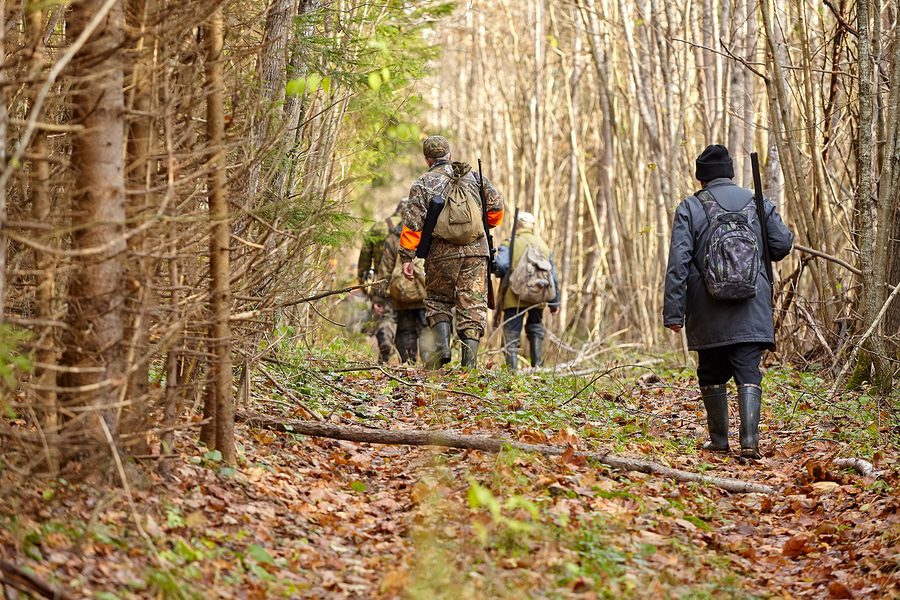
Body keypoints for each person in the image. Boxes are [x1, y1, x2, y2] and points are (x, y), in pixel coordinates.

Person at [663, 144, 793, 459]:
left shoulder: (690, 207)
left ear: (702, 178)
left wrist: (673, 313)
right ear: (730, 173)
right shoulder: (757, 201)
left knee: (711, 371)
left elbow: (679, 262)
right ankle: (750, 444)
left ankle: (719, 441)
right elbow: (782, 244)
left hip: (707, 309)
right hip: (752, 305)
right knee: (748, 370)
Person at [398, 135, 504, 368]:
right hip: (476, 253)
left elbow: (413, 224)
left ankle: (443, 349)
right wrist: (477, 226)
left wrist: (406, 257)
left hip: (440, 253)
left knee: (438, 300)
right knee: (473, 304)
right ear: (450, 154)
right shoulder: (475, 178)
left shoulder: (423, 183)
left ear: (427, 159)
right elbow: (496, 210)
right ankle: (469, 365)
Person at [494, 211, 559, 370]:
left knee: (511, 333)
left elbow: (501, 266)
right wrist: (554, 302)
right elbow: (553, 275)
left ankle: (512, 372)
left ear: (517, 225)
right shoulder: (543, 245)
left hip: (513, 297)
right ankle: (538, 368)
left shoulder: (509, 244)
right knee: (536, 328)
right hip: (538, 295)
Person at [357, 201, 403, 363]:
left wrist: (365, 288)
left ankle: (384, 340)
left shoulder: (378, 227)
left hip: (382, 282)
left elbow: (364, 262)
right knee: (407, 321)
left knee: (385, 316)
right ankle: (404, 358)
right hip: (409, 284)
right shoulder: (415, 229)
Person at [381, 203, 427, 363]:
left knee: (405, 331)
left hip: (401, 294)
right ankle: (431, 367)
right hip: (424, 293)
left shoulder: (393, 238)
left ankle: (408, 364)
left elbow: (385, 269)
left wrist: (379, 296)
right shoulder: (428, 235)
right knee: (426, 330)